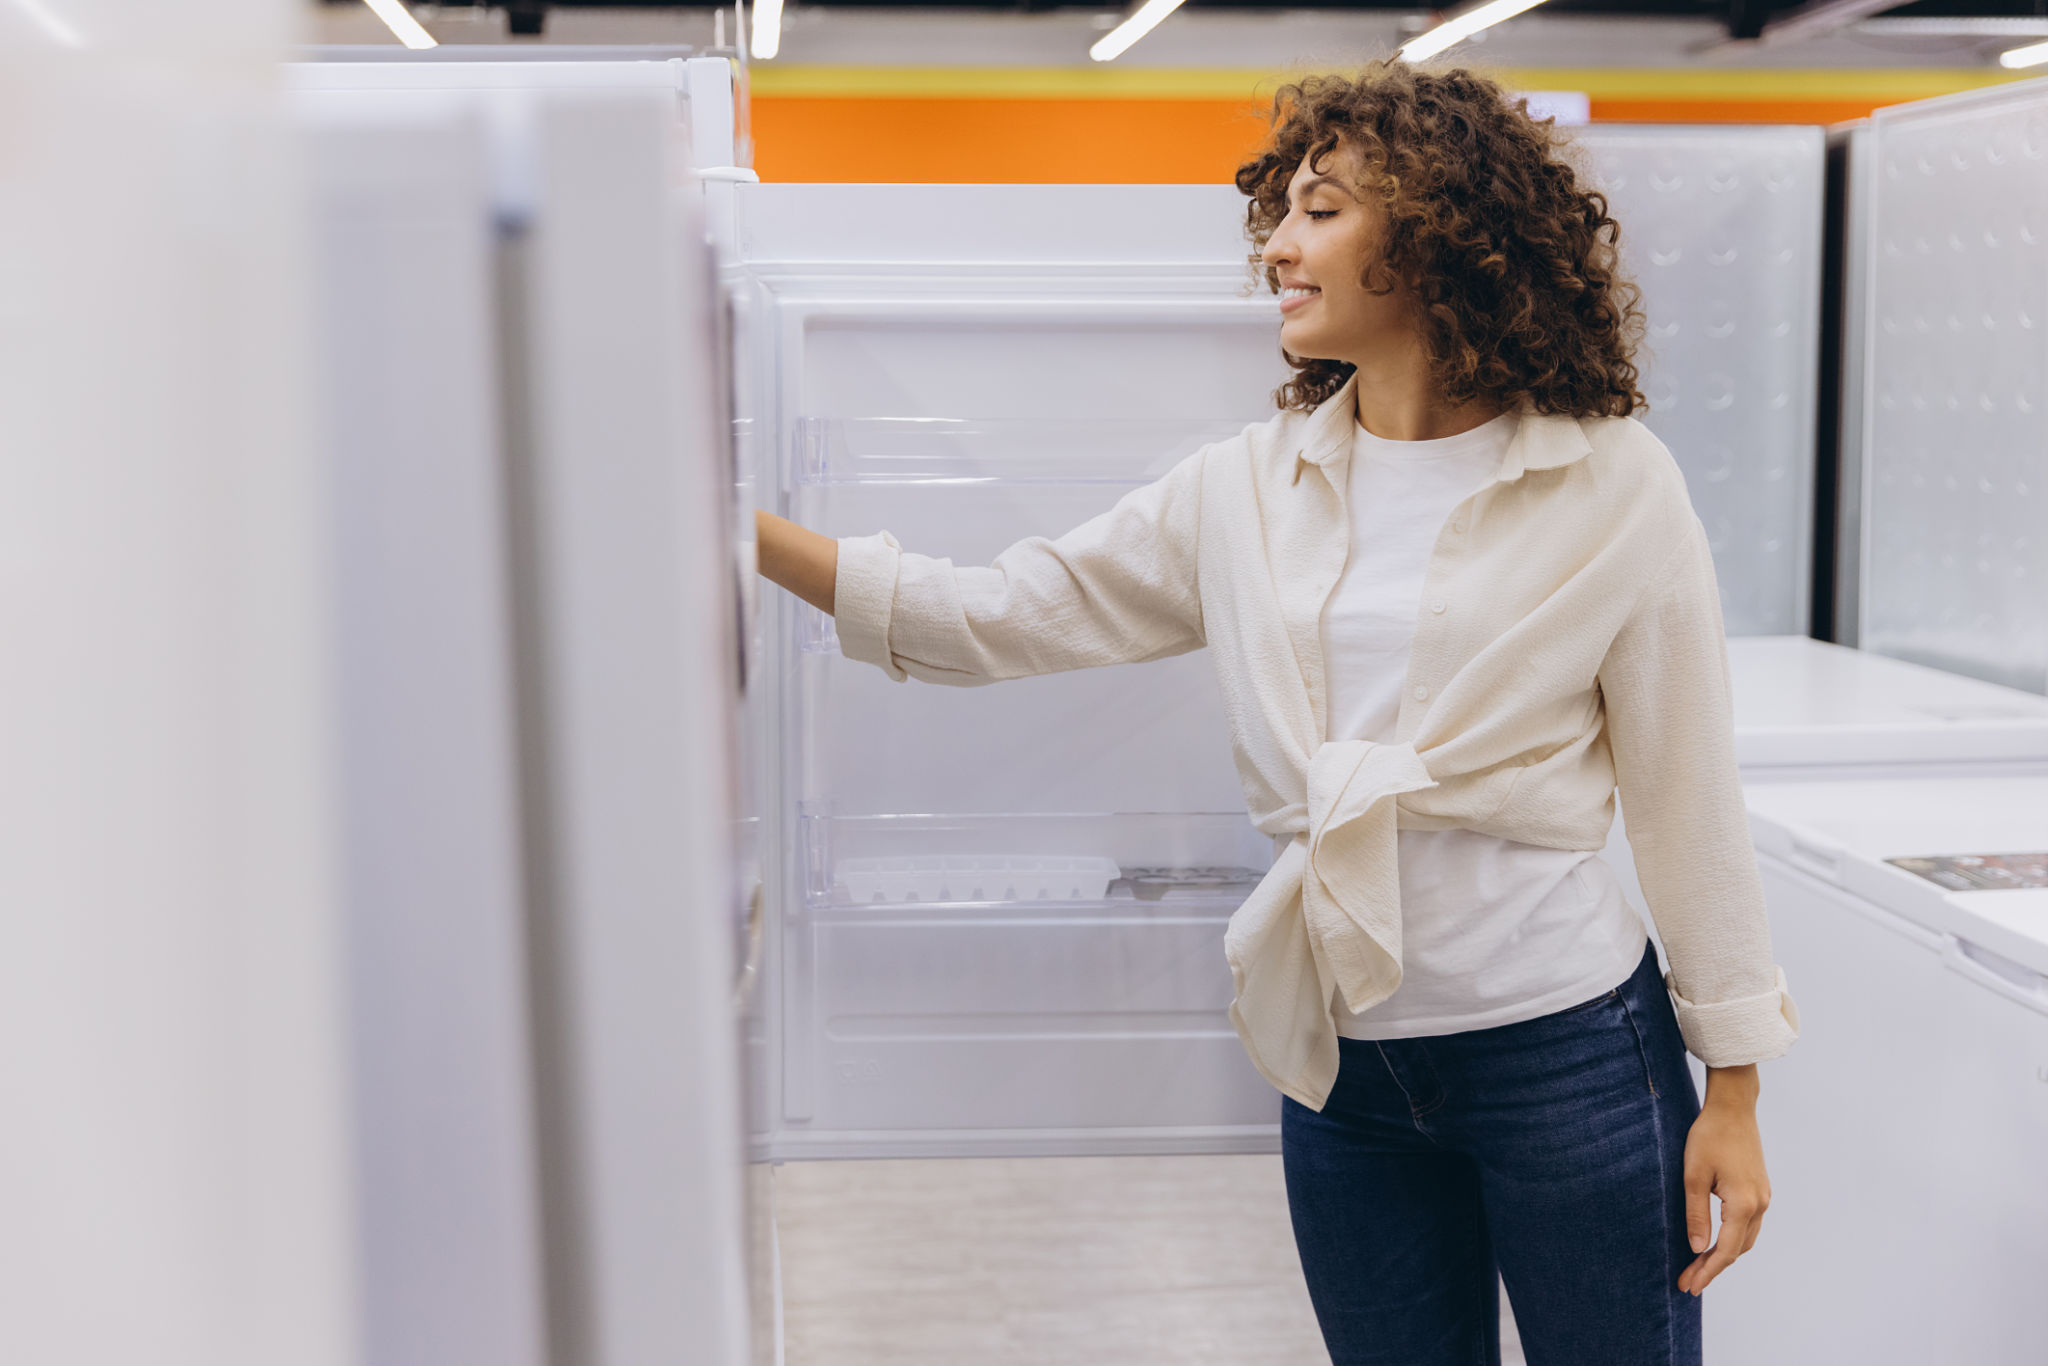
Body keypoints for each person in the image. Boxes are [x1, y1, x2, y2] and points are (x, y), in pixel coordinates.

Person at [755, 58, 1799, 1366]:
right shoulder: (1246, 489)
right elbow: (992, 615)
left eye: (1320, 210)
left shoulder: (1609, 482)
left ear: (1434, 236)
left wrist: (1737, 1087)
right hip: (1345, 1061)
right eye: (1283, 214)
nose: (1280, 250)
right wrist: (737, 531)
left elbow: (1685, 791)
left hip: (1573, 1051)